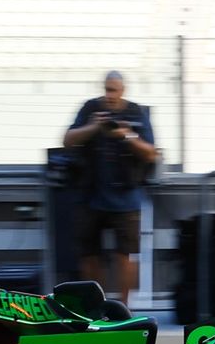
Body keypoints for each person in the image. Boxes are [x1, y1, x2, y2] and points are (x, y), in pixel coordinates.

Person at [63, 71, 157, 305]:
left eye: (114, 90)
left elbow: (150, 153)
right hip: (90, 195)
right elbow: (68, 139)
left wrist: (125, 135)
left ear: (123, 90)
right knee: (89, 255)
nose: (110, 95)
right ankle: (95, 307)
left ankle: (123, 309)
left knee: (124, 256)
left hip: (126, 197)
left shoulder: (136, 113)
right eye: (107, 89)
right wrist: (94, 128)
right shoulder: (90, 110)